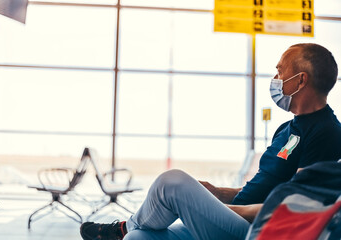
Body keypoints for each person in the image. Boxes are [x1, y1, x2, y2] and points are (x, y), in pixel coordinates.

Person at [80, 43, 341, 240]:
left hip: (253, 228)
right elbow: (269, 188)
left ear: (301, 79)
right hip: (232, 216)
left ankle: (123, 226)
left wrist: (223, 209)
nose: (275, 79)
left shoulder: (326, 131)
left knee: (171, 183)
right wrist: (218, 194)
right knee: (139, 237)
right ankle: (128, 229)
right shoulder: (286, 128)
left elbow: (297, 207)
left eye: (280, 71)